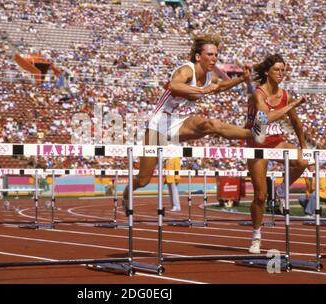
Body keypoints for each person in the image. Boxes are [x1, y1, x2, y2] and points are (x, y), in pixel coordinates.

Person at [122, 34, 269, 207]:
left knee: (211, 124)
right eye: (210, 54)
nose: (214, 58)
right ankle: (127, 192)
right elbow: (173, 85)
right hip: (159, 124)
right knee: (143, 179)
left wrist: (242, 79)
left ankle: (253, 133)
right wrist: (203, 90)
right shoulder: (186, 70)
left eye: (216, 55)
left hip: (181, 122)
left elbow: (219, 86)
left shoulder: (209, 76)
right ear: (198, 57)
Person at [246, 54, 308, 254]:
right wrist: (292, 106)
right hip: (257, 143)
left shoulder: (285, 95)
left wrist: (303, 145)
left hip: (276, 141)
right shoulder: (258, 94)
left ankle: (281, 189)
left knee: (302, 161)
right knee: (260, 196)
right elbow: (265, 118)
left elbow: (296, 122)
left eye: (283, 70)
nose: (281, 73)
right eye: (277, 70)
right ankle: (256, 236)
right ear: (267, 72)